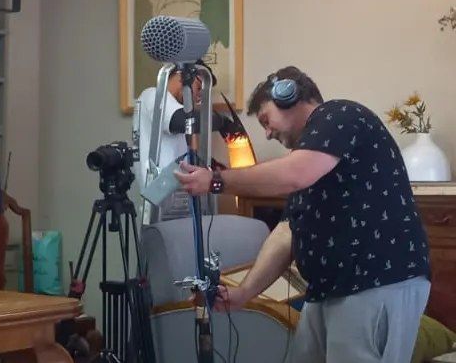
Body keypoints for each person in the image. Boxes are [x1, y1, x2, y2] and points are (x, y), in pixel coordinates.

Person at [175, 66, 431, 362]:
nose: (268, 133)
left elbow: (295, 174)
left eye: (266, 120)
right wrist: (244, 293)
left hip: (376, 281)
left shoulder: (339, 115)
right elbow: (287, 232)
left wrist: (216, 180)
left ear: (288, 96)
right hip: (329, 289)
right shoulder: (310, 157)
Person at [135, 60, 232, 222]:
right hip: (162, 199)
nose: (199, 97)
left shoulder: (174, 106)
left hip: (174, 196)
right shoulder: (153, 95)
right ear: (182, 76)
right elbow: (184, 121)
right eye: (199, 88)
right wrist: (223, 122)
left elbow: (178, 153)